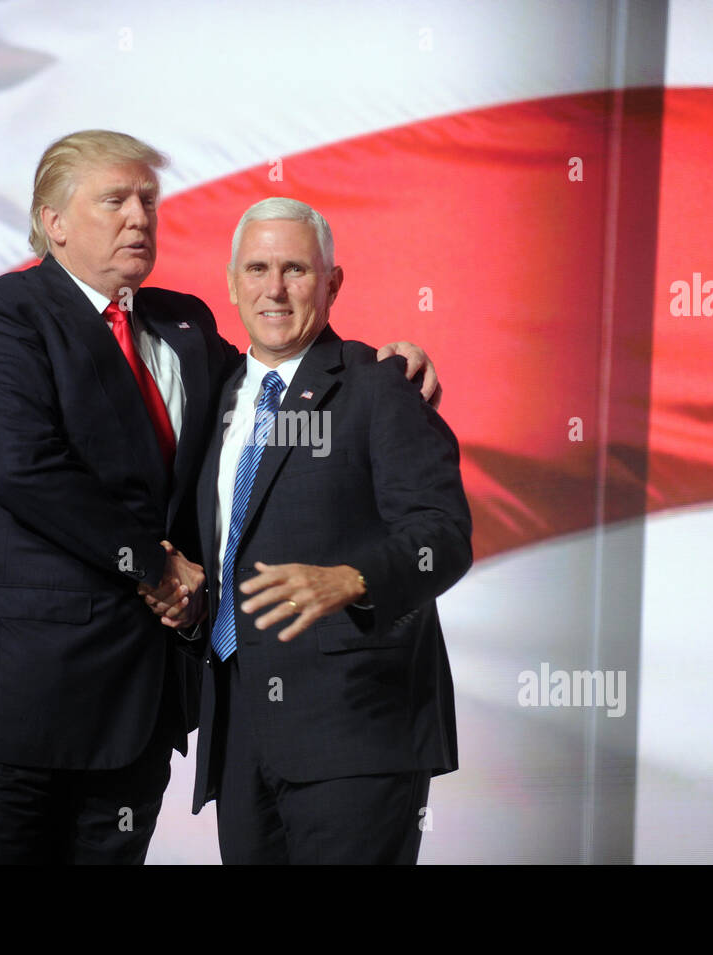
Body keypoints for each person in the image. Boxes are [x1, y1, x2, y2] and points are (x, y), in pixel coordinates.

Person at [0, 131, 439, 864]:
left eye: (148, 199)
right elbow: (23, 466)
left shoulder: (185, 323)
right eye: (114, 200)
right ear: (55, 222)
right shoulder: (3, 315)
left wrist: (380, 366)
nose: (140, 217)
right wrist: (159, 567)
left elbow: (280, 383)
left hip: (130, 714)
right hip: (1, 702)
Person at [149, 197, 471, 864]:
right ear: (233, 282)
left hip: (356, 734)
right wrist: (186, 610)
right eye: (258, 268)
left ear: (332, 283)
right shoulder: (216, 397)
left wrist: (352, 578)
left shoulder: (378, 385)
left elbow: (445, 534)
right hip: (237, 735)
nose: (274, 288)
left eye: (295, 269)